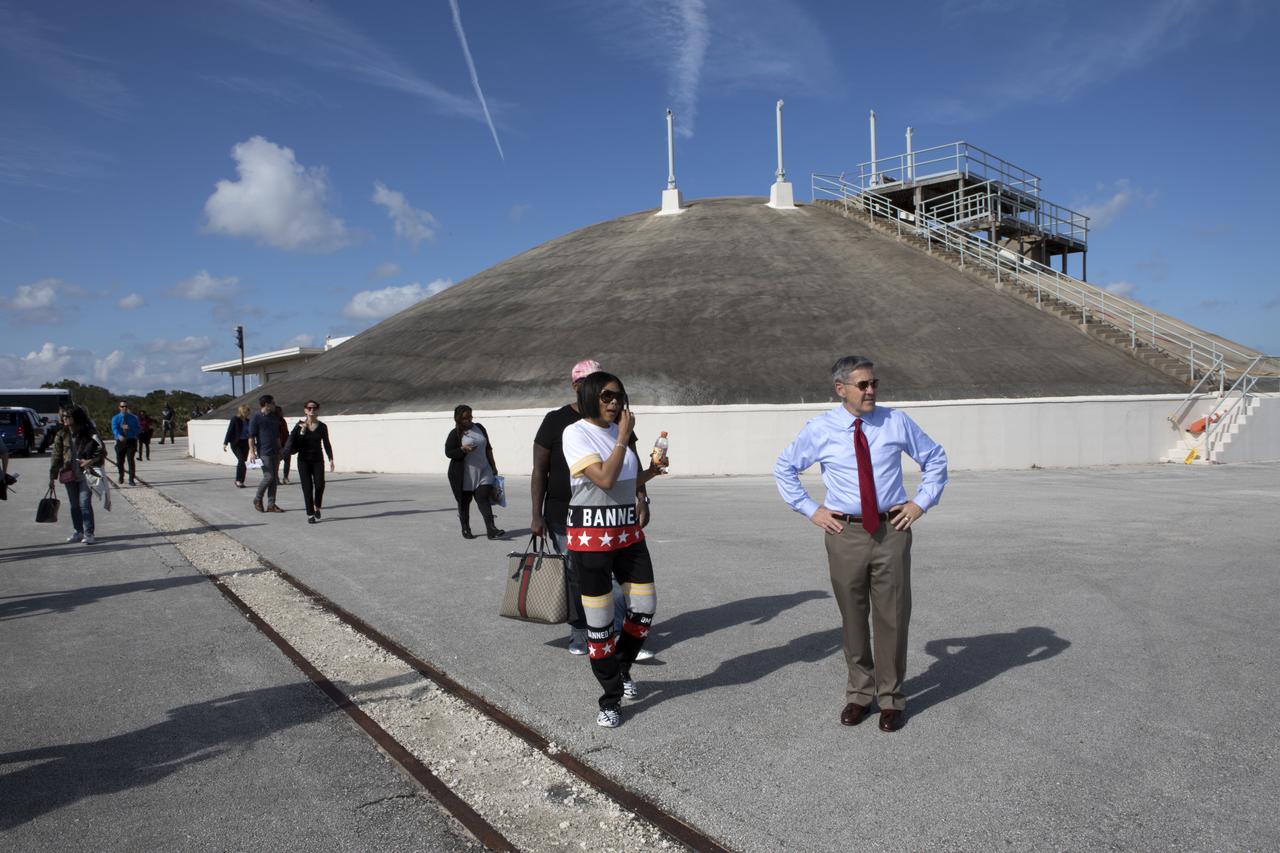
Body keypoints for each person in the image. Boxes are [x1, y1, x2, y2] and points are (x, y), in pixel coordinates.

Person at [774, 356, 948, 733]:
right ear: (841, 389)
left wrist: (920, 502)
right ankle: (859, 694)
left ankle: (892, 698)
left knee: (892, 617)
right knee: (853, 618)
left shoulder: (894, 421)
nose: (871, 391)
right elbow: (784, 467)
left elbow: (935, 458)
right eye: (863, 385)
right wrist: (811, 509)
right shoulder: (820, 429)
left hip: (891, 531)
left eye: (874, 383)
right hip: (845, 534)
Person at [562, 371, 667, 728]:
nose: (614, 403)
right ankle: (610, 699)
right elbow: (603, 478)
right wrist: (623, 435)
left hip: (627, 533)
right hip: (591, 537)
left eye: (619, 397)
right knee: (600, 624)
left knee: (643, 608)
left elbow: (622, 480)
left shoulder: (615, 434)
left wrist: (649, 473)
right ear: (591, 396)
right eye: (606, 396)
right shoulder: (575, 433)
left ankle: (621, 670)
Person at [532, 359, 656, 659]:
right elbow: (540, 469)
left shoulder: (616, 425)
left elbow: (628, 466)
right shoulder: (558, 422)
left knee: (614, 581)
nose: (611, 399)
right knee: (578, 577)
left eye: (614, 393)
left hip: (614, 516)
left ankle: (612, 639)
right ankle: (581, 633)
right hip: (568, 512)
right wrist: (536, 514)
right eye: (596, 387)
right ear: (579, 387)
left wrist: (643, 494)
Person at [48, 406, 107, 545]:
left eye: (68, 416)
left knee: (84, 503)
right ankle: (78, 531)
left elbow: (102, 451)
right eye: (64, 416)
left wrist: (90, 461)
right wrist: (52, 476)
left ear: (76, 418)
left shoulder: (90, 432)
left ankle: (89, 533)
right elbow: (56, 456)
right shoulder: (62, 434)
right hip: (69, 474)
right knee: (74, 505)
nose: (64, 418)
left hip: (86, 474)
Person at [445, 405, 504, 539]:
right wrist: (462, 450)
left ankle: (491, 529)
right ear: (458, 419)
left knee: (483, 498)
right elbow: (448, 452)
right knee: (464, 503)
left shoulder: (480, 428)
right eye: (465, 418)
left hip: (484, 470)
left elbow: (488, 448)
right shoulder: (455, 434)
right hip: (464, 474)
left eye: (470, 416)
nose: (469, 420)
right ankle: (466, 529)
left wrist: (493, 465)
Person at [288, 400, 335, 524]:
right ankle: (310, 514)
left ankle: (317, 506)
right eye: (309, 408)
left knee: (320, 485)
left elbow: (326, 443)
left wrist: (331, 458)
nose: (312, 410)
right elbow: (294, 443)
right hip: (303, 461)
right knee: (307, 488)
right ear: (305, 410)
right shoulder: (299, 425)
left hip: (317, 460)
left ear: (317, 410)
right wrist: (302, 431)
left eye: (314, 408)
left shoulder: (322, 426)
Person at [247, 394, 284, 513]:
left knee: (274, 480)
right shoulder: (256, 418)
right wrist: (252, 452)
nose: (275, 405)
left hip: (275, 452)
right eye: (273, 403)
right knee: (269, 477)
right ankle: (257, 499)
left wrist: (280, 449)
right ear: (267, 404)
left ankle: (271, 505)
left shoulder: (274, 417)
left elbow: (277, 435)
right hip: (264, 452)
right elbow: (251, 437)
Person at [110, 401, 140, 486]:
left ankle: (131, 479)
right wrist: (119, 435)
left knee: (130, 460)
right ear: (119, 407)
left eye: (126, 406)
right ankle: (121, 476)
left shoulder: (133, 418)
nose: (124, 408)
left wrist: (130, 428)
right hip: (120, 441)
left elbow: (138, 429)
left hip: (131, 440)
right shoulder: (115, 418)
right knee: (120, 461)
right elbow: (114, 429)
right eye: (122, 406)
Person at [222, 404, 252, 487]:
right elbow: (230, 431)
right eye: (246, 412)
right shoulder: (235, 419)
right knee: (241, 461)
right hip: (236, 443)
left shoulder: (248, 421)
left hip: (245, 443)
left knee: (243, 462)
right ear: (242, 412)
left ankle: (241, 481)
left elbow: (251, 433)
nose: (248, 414)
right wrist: (225, 443)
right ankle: (238, 480)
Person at [278, 406, 292, 484]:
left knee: (287, 461)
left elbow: (286, 432)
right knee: (276, 463)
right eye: (280, 411)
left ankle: (285, 477)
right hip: (277, 445)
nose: (282, 413)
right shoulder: (273, 421)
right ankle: (275, 478)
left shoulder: (283, 421)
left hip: (285, 444)